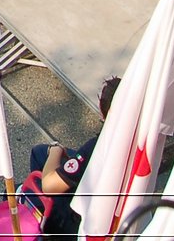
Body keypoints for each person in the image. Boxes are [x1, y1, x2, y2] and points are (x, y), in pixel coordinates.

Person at [24, 76, 121, 238]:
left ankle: (48, 223)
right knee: (40, 152)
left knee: (38, 161)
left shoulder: (97, 147)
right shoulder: (143, 141)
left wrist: (55, 151)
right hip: (113, 206)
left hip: (84, 221)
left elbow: (50, 186)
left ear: (105, 112)